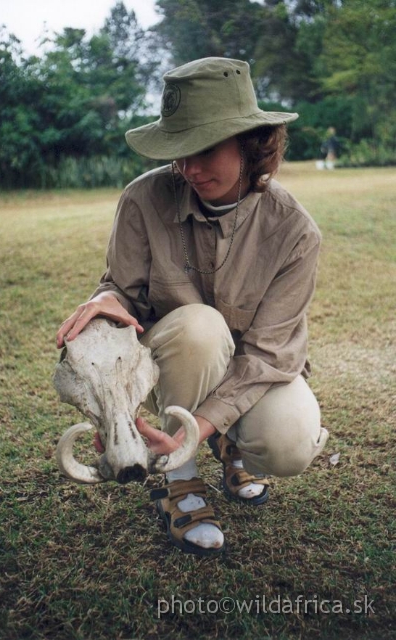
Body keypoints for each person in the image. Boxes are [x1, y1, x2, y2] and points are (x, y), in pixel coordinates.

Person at [57, 57, 329, 557]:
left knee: (289, 441)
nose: (187, 168)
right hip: (175, 358)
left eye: (203, 149)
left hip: (254, 372)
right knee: (201, 328)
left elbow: (268, 356)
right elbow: (123, 289)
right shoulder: (142, 199)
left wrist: (196, 429)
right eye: (178, 150)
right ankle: (178, 479)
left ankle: (226, 444)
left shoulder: (294, 231)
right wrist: (101, 303)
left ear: (252, 145)